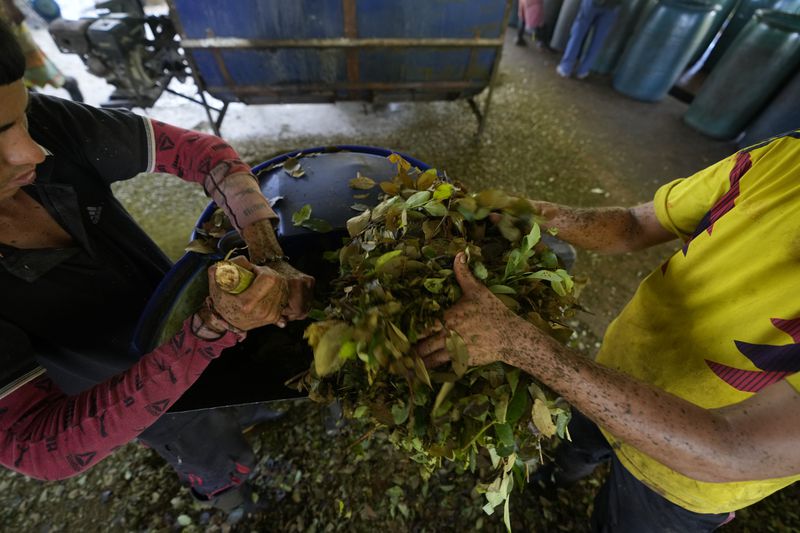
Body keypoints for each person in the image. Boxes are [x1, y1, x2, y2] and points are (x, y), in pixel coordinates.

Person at [0, 19, 314, 514]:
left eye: (20, 118)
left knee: (235, 384)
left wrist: (267, 252)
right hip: (142, 396)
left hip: (179, 310)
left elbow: (204, 154)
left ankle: (251, 410)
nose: (30, 151)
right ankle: (229, 496)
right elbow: (40, 446)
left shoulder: (46, 127)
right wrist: (212, 329)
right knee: (205, 446)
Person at [416, 129, 800, 531]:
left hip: (686, 480)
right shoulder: (782, 157)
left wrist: (517, 344)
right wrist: (540, 216)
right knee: (571, 447)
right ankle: (554, 480)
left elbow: (732, 447)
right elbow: (635, 224)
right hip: (608, 377)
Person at [0, 0, 83, 101]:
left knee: (28, 66)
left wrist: (10, 6)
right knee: (12, 77)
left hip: (7, 24)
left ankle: (67, 83)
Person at [556, 0, 620, 79]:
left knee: (578, 33)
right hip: (612, 6)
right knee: (598, 40)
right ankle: (583, 70)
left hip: (592, 3)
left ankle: (566, 68)